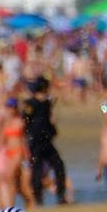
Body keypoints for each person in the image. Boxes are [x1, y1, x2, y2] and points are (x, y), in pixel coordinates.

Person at [24, 77, 67, 205]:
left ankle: (60, 196)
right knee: (36, 170)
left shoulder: (47, 104)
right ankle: (38, 198)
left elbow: (50, 119)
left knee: (59, 165)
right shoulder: (30, 104)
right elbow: (25, 121)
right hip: (35, 142)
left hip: (47, 141)